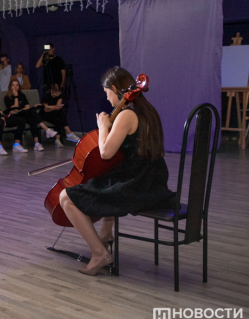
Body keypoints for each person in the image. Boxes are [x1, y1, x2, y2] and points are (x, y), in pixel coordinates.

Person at [59, 66, 175, 275]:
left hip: (137, 186)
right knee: (106, 178)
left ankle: (99, 254)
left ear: (114, 88)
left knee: (66, 197)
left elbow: (105, 153)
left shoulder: (126, 115)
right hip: (154, 181)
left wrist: (103, 127)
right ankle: (106, 232)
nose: (108, 98)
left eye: (107, 93)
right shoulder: (148, 109)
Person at [4, 78, 57, 152]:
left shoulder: (22, 95)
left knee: (32, 119)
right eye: (13, 85)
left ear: (19, 86)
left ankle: (37, 143)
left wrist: (21, 110)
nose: (15, 87)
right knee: (32, 111)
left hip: (24, 114)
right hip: (15, 116)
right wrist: (16, 97)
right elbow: (15, 109)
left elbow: (27, 106)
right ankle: (46, 130)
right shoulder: (7, 97)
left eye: (17, 85)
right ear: (10, 87)